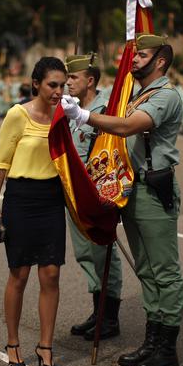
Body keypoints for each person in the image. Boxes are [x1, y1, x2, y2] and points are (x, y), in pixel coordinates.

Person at [62, 33, 183, 366]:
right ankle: (152, 338)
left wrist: (86, 117)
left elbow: (130, 127)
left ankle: (167, 346)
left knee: (165, 270)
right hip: (132, 188)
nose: (134, 59)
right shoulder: (135, 96)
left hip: (153, 188)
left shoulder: (165, 95)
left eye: (142, 54)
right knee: (145, 268)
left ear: (160, 61)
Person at [0, 57, 67, 366]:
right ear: (36, 84)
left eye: (62, 85)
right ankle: (13, 342)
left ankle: (45, 347)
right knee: (19, 275)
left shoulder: (64, 116)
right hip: (20, 199)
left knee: (51, 276)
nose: (58, 91)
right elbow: (0, 162)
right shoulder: (17, 115)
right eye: (52, 85)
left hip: (51, 201)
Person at [64, 53, 123, 341]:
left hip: (97, 194)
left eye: (73, 77)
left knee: (102, 254)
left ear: (90, 80)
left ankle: (109, 318)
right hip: (76, 195)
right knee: (86, 255)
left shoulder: (106, 109)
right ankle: (97, 311)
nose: (67, 83)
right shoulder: (71, 108)